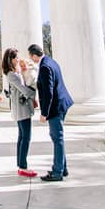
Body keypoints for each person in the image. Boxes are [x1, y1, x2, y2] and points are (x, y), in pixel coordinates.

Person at [28, 44, 74, 182]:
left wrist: (44, 113)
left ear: (34, 55)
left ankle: (57, 172)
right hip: (62, 103)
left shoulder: (44, 67)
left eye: (30, 56)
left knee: (57, 138)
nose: (31, 59)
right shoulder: (50, 61)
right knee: (57, 138)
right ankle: (62, 168)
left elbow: (48, 93)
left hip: (56, 106)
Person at [2, 48, 37, 178]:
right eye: (15, 57)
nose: (18, 59)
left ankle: (21, 165)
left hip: (21, 108)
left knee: (22, 137)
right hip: (22, 110)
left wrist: (23, 73)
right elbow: (23, 90)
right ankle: (23, 167)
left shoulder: (14, 73)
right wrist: (35, 92)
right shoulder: (11, 74)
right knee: (25, 138)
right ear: (10, 59)